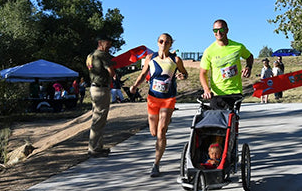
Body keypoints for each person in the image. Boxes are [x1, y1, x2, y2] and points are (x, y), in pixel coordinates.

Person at [129, 33, 188, 177]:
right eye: (161, 41)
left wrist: (181, 76)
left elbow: (185, 73)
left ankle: (156, 164)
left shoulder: (175, 59)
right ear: (157, 42)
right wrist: (135, 86)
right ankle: (165, 121)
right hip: (153, 99)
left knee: (161, 132)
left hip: (168, 99)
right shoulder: (150, 58)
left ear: (170, 44)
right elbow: (143, 74)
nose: (164, 44)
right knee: (153, 132)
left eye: (167, 42)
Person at [200, 19, 253, 109]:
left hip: (235, 93)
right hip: (217, 94)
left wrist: (248, 67)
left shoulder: (238, 47)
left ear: (227, 30)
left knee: (232, 121)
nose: (218, 32)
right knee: (216, 122)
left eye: (221, 29)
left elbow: (249, 56)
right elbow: (203, 73)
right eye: (215, 30)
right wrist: (206, 90)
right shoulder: (209, 51)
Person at [86, 34, 116, 157]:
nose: (109, 47)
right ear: (101, 43)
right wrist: (113, 77)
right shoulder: (102, 55)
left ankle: (98, 146)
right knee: (99, 119)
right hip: (101, 89)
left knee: (98, 118)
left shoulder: (90, 56)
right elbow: (111, 71)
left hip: (93, 88)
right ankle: (93, 148)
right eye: (108, 44)